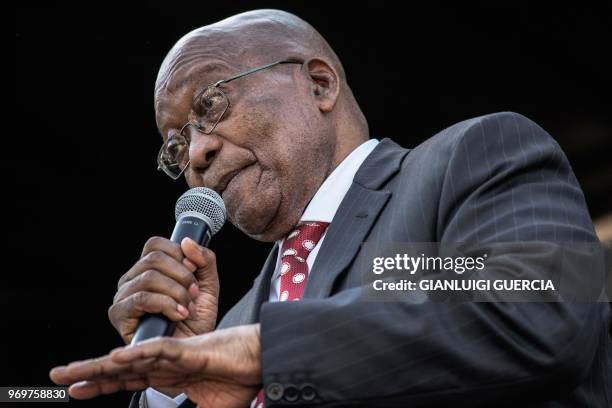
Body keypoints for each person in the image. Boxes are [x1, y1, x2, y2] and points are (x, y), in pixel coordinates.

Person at [50, 9, 611, 408]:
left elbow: (541, 311)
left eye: (212, 104)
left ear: (319, 84)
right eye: (176, 145)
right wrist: (170, 383)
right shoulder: (238, 319)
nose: (197, 152)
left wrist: (267, 353)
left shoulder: (465, 162)